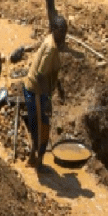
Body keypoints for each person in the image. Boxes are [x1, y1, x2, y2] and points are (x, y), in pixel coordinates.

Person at [23, 15, 67, 172]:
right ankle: (37, 161)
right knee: (41, 126)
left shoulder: (53, 41)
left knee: (41, 124)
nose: (64, 35)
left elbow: (51, 69)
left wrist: (59, 85)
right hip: (36, 90)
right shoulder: (51, 47)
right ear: (54, 31)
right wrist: (47, 99)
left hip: (40, 90)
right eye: (61, 32)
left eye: (65, 32)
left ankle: (35, 157)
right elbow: (41, 75)